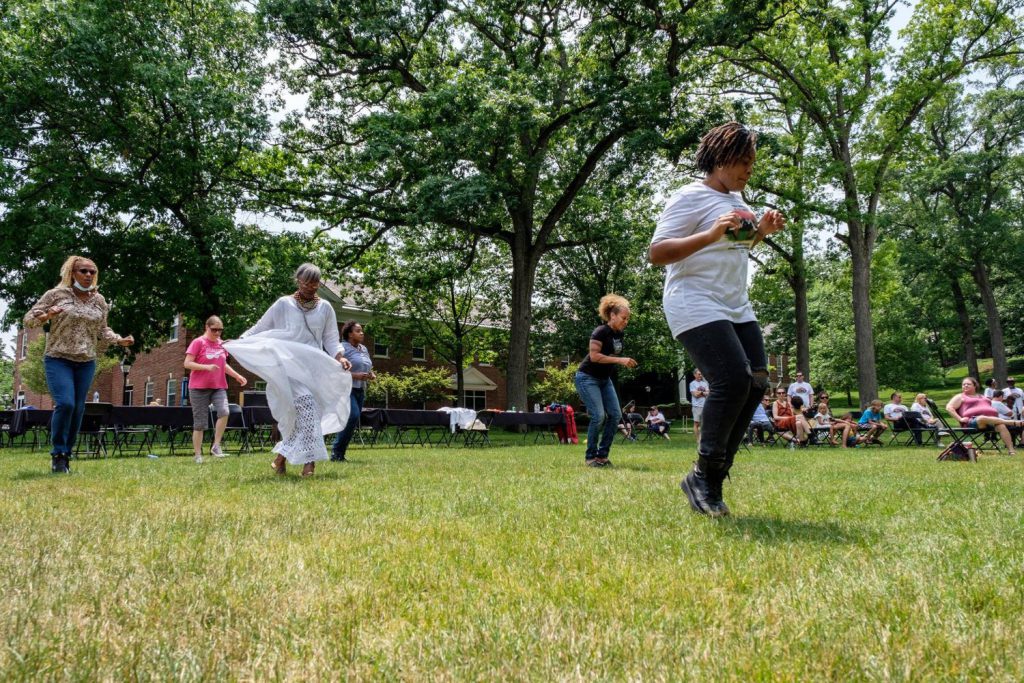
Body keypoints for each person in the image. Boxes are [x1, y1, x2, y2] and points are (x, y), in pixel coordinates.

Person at [649, 121, 786, 516]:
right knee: (732, 380)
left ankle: (712, 474)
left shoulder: (739, 198)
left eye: (752, 162)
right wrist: (708, 235)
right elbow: (657, 252)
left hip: (735, 303)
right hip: (694, 299)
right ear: (721, 158)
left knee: (757, 383)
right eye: (743, 161)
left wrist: (760, 231)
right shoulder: (689, 197)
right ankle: (705, 477)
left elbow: (737, 246)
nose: (749, 169)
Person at [225, 264, 353, 477]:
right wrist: (240, 342)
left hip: (313, 366)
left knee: (308, 415)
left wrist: (340, 357)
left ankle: (281, 458)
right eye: (306, 282)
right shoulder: (283, 304)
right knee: (308, 405)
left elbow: (331, 338)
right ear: (297, 281)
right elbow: (261, 327)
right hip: (288, 367)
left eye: (315, 283)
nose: (311, 287)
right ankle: (309, 463)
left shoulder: (325, 308)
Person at [24, 255, 134, 473]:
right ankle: (57, 453)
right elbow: (29, 319)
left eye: (92, 272)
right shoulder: (56, 294)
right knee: (66, 404)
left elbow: (103, 329)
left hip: (86, 360)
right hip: (58, 357)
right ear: (72, 273)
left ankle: (66, 454)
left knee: (78, 409)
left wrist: (119, 340)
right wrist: (47, 315)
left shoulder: (99, 300)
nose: (88, 275)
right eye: (83, 271)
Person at [574, 294, 638, 467]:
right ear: (613, 316)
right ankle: (590, 457)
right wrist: (620, 360)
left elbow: (610, 355)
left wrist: (621, 360)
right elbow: (594, 357)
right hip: (587, 378)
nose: (626, 321)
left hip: (604, 379)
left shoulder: (619, 334)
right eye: (623, 318)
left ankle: (602, 456)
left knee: (616, 414)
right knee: (598, 416)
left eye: (627, 318)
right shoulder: (600, 331)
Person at [183, 315, 248, 463]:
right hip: (198, 388)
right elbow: (187, 363)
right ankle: (198, 455)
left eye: (220, 330)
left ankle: (216, 446)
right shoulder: (198, 342)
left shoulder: (221, 344)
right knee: (200, 423)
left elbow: (222, 364)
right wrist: (206, 367)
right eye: (214, 330)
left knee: (224, 411)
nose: (217, 333)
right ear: (207, 327)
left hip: (218, 386)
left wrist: (237, 375)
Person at [330, 321, 375, 462]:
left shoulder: (363, 349)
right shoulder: (342, 348)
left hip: (360, 389)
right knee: (353, 416)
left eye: (361, 330)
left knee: (353, 419)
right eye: (358, 330)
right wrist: (355, 376)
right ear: (350, 334)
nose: (361, 333)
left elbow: (366, 365)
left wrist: (370, 374)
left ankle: (339, 454)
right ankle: (336, 452)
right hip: (346, 389)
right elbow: (334, 371)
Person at [946, 377, 1021, 455]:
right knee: (982, 418)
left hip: (990, 422)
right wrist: (960, 419)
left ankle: (1011, 451)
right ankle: (1011, 422)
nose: (965, 386)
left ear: (975, 386)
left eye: (968, 384)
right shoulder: (960, 396)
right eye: (963, 384)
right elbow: (949, 407)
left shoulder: (981, 396)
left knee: (1001, 426)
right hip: (971, 423)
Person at [688, 369, 709, 443]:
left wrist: (700, 392)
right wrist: (703, 393)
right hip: (696, 406)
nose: (700, 375)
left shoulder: (704, 383)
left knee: (704, 424)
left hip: (705, 405)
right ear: (695, 375)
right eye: (699, 374)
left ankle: (702, 439)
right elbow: (695, 395)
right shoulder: (692, 384)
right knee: (697, 423)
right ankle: (698, 440)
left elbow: (708, 393)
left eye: (701, 374)